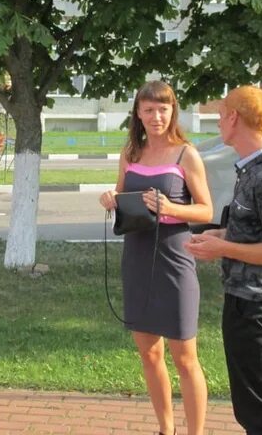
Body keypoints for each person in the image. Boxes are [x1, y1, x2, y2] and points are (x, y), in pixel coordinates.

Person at [184, 85, 262, 435]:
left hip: (258, 306)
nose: (219, 124)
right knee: (261, 405)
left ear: (234, 118)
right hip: (244, 301)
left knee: (259, 411)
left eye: (221, 116)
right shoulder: (251, 169)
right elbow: (258, 233)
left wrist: (223, 249)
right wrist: (219, 237)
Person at [98, 80, 213, 435]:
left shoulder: (185, 154)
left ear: (173, 111)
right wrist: (111, 198)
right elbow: (121, 194)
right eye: (149, 109)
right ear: (138, 113)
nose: (156, 116)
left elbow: (206, 210)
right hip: (136, 255)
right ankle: (166, 429)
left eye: (163, 109)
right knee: (149, 353)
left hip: (174, 260)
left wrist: (171, 208)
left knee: (184, 356)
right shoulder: (130, 154)